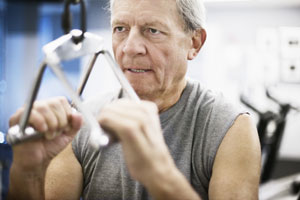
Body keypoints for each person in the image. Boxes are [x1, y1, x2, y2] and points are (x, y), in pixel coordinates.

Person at [7, 0, 261, 199]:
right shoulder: (82, 121)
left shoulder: (230, 128)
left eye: (152, 30)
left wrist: (160, 176)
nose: (130, 48)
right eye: (120, 29)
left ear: (194, 43)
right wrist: (27, 172)